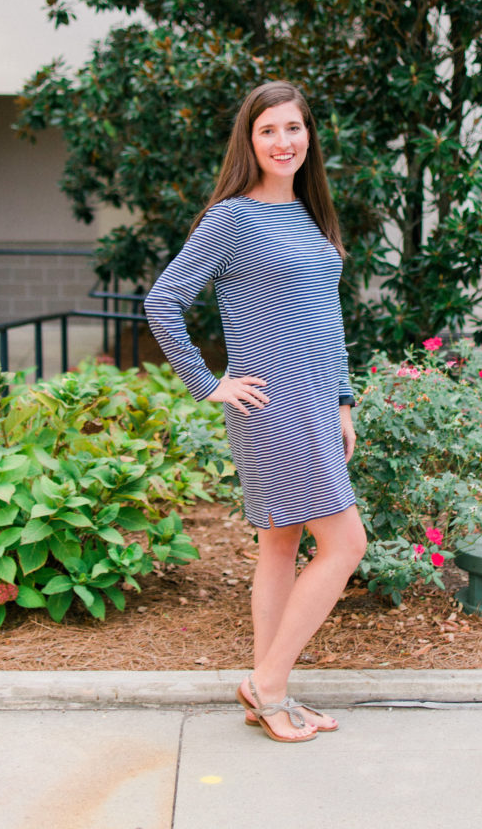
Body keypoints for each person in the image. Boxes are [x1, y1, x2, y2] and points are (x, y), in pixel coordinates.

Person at [144, 80, 367, 743]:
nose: (283, 141)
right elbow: (163, 301)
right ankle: (268, 684)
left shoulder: (309, 215)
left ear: (308, 136)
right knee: (346, 543)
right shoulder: (232, 219)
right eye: (268, 130)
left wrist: (344, 400)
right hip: (272, 406)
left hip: (315, 402)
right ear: (249, 139)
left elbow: (328, 320)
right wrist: (207, 385)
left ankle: (269, 693)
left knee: (281, 545)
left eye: (294, 128)